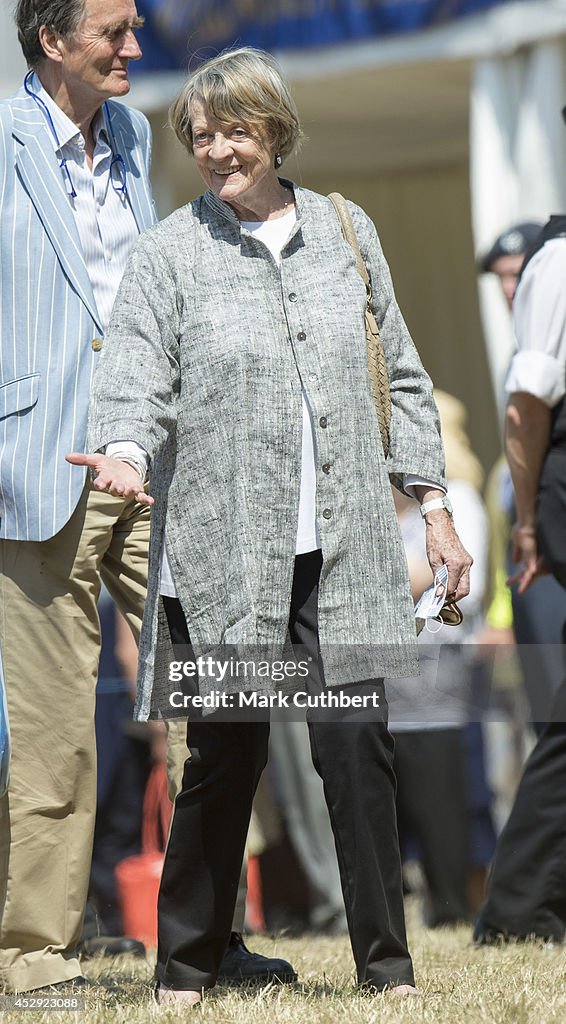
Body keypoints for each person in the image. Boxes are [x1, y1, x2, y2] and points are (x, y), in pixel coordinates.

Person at [73, 47, 472, 1005]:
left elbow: (404, 376)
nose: (214, 150)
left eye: (233, 131)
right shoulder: (174, 250)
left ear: (275, 129)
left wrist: (440, 510)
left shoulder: (347, 227)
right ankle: (188, 961)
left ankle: (387, 968)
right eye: (199, 136)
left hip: (345, 551)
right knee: (225, 753)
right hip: (222, 553)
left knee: (356, 752)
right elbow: (135, 368)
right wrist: (124, 445)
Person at [0, 4, 290, 995]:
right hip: (37, 468)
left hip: (155, 456)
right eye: (112, 31)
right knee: (55, 729)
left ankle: (208, 933)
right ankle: (36, 957)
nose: (134, 47)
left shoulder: (127, 135)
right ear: (50, 40)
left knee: (215, 696)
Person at [474, 204, 566, 943]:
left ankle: (525, 902)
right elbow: (526, 406)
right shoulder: (556, 264)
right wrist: (529, 521)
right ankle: (517, 906)